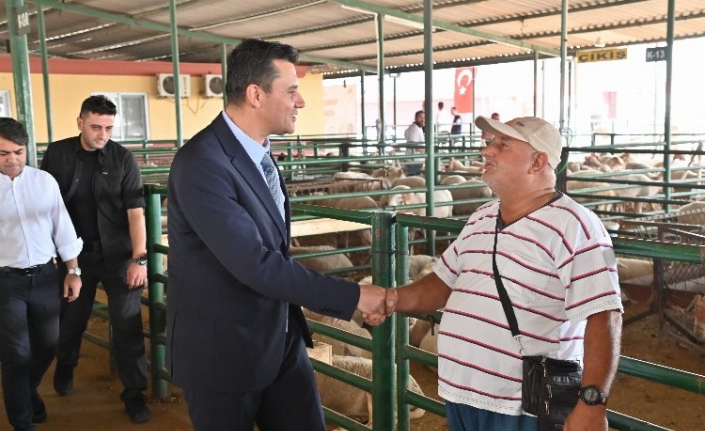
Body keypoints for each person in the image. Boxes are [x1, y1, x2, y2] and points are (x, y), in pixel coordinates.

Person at [166, 38, 386, 431]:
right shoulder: (202, 163)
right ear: (255, 94)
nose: (300, 102)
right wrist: (353, 295)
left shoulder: (258, 153)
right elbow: (254, 263)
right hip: (224, 351)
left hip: (279, 335)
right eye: (291, 91)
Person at [379, 116, 623, 431]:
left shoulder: (576, 226)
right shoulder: (482, 216)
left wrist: (592, 404)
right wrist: (391, 299)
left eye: (502, 145)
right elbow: (441, 283)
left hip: (521, 405)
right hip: (461, 393)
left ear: (538, 162)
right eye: (491, 142)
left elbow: (604, 315)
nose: (487, 151)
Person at [40, 96, 151, 424]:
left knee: (127, 324)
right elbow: (47, 207)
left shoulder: (122, 159)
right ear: (80, 123)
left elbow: (136, 213)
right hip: (75, 256)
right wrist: (54, 255)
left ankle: (134, 394)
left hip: (118, 256)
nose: (103, 133)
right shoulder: (57, 154)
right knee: (72, 320)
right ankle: (66, 366)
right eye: (96, 127)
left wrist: (139, 259)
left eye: (108, 128)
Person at [0, 117, 83, 431]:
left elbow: (62, 227)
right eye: (4, 153)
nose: (13, 159)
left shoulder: (44, 182)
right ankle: (23, 424)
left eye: (19, 152)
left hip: (46, 276)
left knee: (48, 345)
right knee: (16, 354)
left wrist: (73, 270)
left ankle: (26, 391)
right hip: (6, 281)